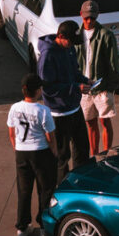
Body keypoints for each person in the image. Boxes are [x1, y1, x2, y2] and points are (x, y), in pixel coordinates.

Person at [37, 20, 91, 180]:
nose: (72, 45)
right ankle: (62, 189)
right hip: (58, 114)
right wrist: (75, 87)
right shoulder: (48, 56)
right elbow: (48, 88)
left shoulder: (70, 49)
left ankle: (81, 183)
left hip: (74, 108)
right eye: (70, 41)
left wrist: (84, 80)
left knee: (82, 149)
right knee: (62, 156)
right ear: (60, 36)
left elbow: (74, 72)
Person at [6, 73, 57, 236]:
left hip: (21, 152)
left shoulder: (14, 108)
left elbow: (12, 133)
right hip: (40, 152)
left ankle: (22, 227)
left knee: (24, 189)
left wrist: (17, 148)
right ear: (37, 91)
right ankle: (43, 225)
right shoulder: (43, 110)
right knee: (45, 189)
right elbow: (50, 136)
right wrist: (54, 153)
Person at [79, 0, 119, 156]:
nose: (89, 21)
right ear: (81, 15)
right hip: (85, 88)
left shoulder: (106, 35)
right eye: (87, 18)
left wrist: (111, 87)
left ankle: (106, 154)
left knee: (105, 121)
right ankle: (94, 155)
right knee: (90, 123)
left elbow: (113, 63)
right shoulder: (77, 35)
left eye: (93, 18)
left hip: (102, 88)